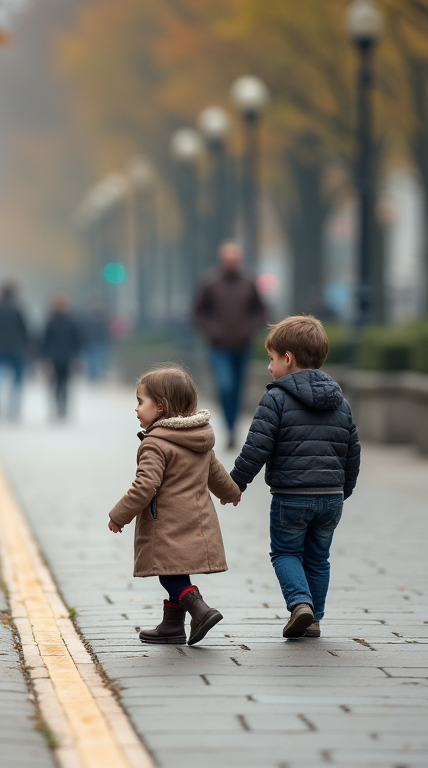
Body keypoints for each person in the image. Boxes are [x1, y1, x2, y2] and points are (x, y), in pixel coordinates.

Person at [229, 315, 361, 640]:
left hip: (291, 496)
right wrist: (344, 489)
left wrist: (235, 483)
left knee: (286, 553)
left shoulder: (275, 398)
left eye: (271, 359)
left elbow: (256, 448)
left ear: (287, 359)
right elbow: (352, 449)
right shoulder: (340, 402)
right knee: (319, 558)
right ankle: (314, 619)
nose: (269, 367)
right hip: (331, 497)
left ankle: (299, 603)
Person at [107, 366, 241, 646]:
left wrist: (119, 515)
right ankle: (172, 627)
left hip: (166, 523)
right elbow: (215, 473)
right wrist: (231, 492)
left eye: (140, 401)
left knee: (170, 575)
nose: (136, 408)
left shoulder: (155, 443)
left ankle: (199, 609)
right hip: (197, 521)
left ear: (160, 407)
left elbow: (146, 485)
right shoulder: (199, 438)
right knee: (175, 568)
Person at [192, 242, 268, 449]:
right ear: (222, 260)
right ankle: (229, 426)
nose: (231, 263)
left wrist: (249, 329)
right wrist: (212, 330)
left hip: (242, 346)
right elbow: (198, 313)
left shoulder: (249, 282)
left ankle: (233, 428)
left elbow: (261, 311)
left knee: (238, 389)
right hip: (219, 347)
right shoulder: (210, 282)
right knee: (226, 386)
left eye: (234, 260)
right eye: (228, 260)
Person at [0, 281, 31, 420]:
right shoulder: (18, 309)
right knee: (17, 379)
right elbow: (25, 330)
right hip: (17, 348)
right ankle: (14, 408)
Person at [41, 294, 84, 419]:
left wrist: (45, 358)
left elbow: (45, 342)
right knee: (61, 384)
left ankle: (61, 407)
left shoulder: (52, 321)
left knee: (60, 384)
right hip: (63, 357)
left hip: (59, 358)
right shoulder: (69, 321)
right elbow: (77, 342)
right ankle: (60, 407)